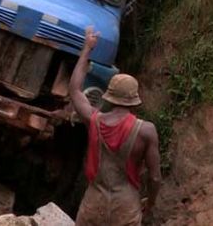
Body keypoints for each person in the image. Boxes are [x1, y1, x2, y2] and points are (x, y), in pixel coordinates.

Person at [69, 27, 161, 226]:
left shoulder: (94, 119)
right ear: (134, 99)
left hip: (94, 201)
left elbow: (75, 90)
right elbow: (154, 178)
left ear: (109, 96)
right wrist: (150, 204)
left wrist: (87, 48)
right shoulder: (146, 131)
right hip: (126, 206)